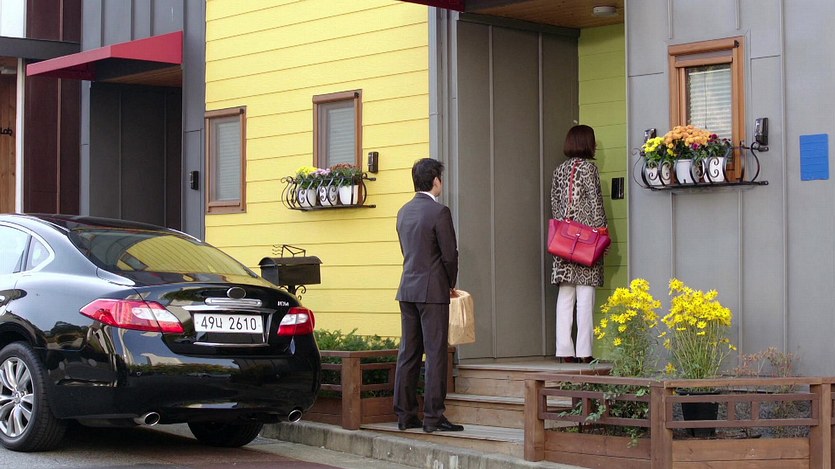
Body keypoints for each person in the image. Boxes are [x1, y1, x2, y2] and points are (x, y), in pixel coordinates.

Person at [393, 158, 464, 433]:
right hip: (432, 291)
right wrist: (450, 283)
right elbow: (449, 255)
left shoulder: (403, 211)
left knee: (408, 353)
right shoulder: (439, 212)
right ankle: (433, 417)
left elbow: (407, 251)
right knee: (435, 353)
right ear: (436, 180)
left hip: (407, 288)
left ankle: (405, 415)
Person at [550, 125, 608, 363]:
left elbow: (555, 206)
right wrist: (602, 232)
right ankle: (584, 352)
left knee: (565, 296)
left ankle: (564, 351)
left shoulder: (559, 170)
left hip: (564, 241)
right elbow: (595, 203)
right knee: (585, 297)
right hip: (586, 240)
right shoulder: (589, 168)